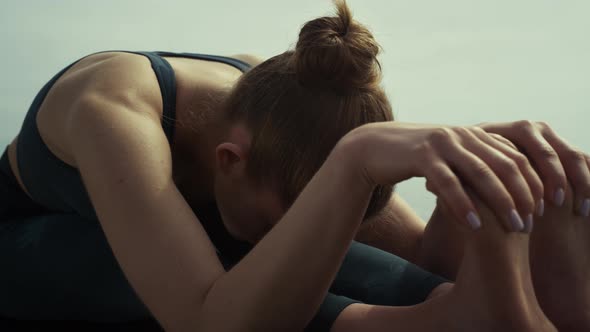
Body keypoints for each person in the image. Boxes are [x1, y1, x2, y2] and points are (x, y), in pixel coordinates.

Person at [1, 0, 588, 331]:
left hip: (219, 230)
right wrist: (357, 160)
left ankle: (488, 310)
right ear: (228, 160)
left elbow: (414, 254)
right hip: (30, 245)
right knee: (262, 296)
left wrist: (489, 172)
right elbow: (209, 324)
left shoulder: (296, 111)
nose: (286, 235)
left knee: (311, 262)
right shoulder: (111, 108)